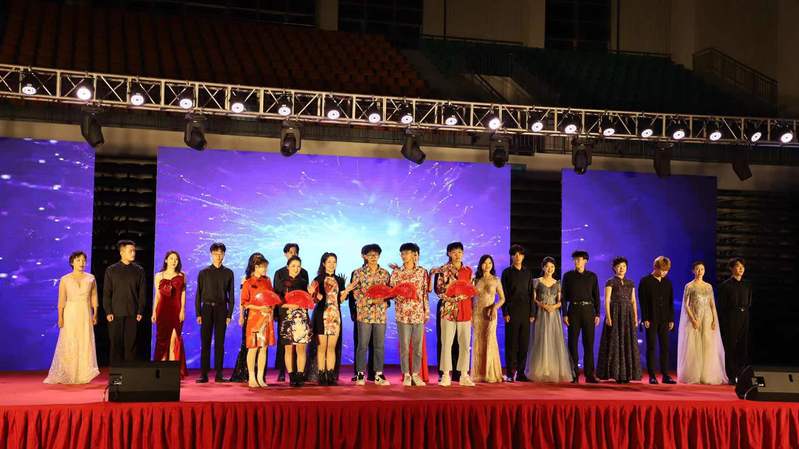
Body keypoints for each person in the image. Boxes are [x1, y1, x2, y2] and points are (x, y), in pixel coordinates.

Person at [44, 251, 100, 384]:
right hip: (70, 313)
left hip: (85, 312)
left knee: (85, 340)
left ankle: (83, 373)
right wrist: (60, 317)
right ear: (72, 262)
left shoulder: (91, 278)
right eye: (78, 260)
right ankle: (69, 373)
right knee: (70, 340)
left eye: (83, 260)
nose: (81, 263)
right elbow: (61, 300)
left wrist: (95, 313)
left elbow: (94, 296)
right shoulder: (65, 279)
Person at [341, 243, 392, 386]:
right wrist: (371, 300)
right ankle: (360, 374)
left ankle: (378, 374)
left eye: (376, 254)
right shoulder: (358, 273)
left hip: (380, 314)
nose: (373, 257)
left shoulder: (385, 273)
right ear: (364, 256)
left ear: (379, 256)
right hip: (364, 313)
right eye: (370, 255)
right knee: (362, 344)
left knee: (379, 345)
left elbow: (390, 291)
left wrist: (384, 299)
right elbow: (356, 293)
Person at [677, 261, 728, 385]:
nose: (700, 271)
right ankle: (694, 374)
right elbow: (686, 305)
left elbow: (712, 305)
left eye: (702, 269)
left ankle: (707, 375)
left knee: (707, 346)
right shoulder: (689, 286)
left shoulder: (708, 287)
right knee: (694, 346)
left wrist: (714, 320)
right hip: (695, 318)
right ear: (693, 271)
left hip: (707, 318)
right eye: (697, 269)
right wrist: (693, 320)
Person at [433, 241, 475, 387]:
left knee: (465, 344)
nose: (457, 255)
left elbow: (471, 290)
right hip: (448, 310)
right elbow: (438, 290)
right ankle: (445, 375)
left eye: (460, 252)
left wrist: (467, 297)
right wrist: (451, 296)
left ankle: (464, 375)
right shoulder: (442, 270)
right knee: (447, 343)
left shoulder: (468, 270)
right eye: (454, 252)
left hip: (465, 310)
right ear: (449, 253)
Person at [525, 257, 572, 383]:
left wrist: (554, 307)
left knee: (553, 340)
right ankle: (541, 369)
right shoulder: (536, 281)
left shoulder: (558, 283)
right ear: (543, 267)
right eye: (547, 266)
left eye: (552, 267)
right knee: (541, 339)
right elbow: (533, 299)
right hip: (541, 313)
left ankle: (553, 369)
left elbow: (560, 301)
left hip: (554, 315)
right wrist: (543, 306)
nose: (550, 269)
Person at [596, 257, 642, 383]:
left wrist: (635, 317)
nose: (622, 269)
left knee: (627, 342)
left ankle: (627, 374)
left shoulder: (630, 283)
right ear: (614, 268)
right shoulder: (610, 282)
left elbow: (633, 301)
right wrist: (608, 316)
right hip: (615, 313)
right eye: (619, 266)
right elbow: (607, 300)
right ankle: (616, 374)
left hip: (627, 314)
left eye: (624, 266)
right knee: (615, 342)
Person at [390, 243, 430, 387]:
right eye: (402, 253)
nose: (404, 256)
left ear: (414, 254)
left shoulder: (422, 272)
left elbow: (424, 293)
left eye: (406, 253)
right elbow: (392, 292)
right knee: (405, 347)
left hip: (418, 313)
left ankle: (416, 374)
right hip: (402, 314)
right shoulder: (396, 273)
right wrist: (400, 296)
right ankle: (406, 374)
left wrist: (426, 311)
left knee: (418, 347)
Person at [195, 242, 235, 383]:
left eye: (220, 253)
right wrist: (198, 313)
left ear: (224, 255)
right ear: (211, 254)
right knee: (205, 342)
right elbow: (198, 294)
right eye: (215, 253)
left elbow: (231, 295)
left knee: (220, 342)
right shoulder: (203, 272)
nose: (218, 256)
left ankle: (219, 374)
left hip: (221, 309)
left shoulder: (228, 273)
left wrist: (229, 314)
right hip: (206, 309)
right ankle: (203, 374)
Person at [103, 240, 146, 365]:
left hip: (133, 313)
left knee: (131, 345)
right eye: (130, 251)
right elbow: (107, 293)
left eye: (134, 251)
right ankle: (116, 374)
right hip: (115, 313)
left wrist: (140, 310)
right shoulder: (111, 270)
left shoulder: (139, 270)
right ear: (122, 252)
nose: (133, 253)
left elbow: (142, 293)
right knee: (115, 345)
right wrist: (108, 311)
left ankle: (129, 374)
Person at [561, 250, 600, 383]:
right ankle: (574, 374)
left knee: (588, 343)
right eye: (575, 259)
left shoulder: (592, 276)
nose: (577, 261)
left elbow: (596, 296)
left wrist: (597, 313)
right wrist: (564, 314)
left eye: (579, 259)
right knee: (572, 343)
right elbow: (563, 297)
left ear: (585, 261)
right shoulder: (568, 276)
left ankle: (589, 375)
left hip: (589, 310)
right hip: (573, 310)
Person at [273, 243, 309, 382]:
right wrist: (288, 306)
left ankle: (300, 375)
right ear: (288, 267)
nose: (296, 268)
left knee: (301, 348)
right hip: (286, 315)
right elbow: (277, 298)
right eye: (293, 266)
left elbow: (308, 299)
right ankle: (290, 375)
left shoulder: (304, 279)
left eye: (298, 266)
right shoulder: (281, 277)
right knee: (287, 348)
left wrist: (313, 294)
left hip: (301, 317)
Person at [308, 252, 345, 386]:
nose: (332, 264)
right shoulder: (318, 279)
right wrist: (313, 294)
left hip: (335, 316)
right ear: (323, 263)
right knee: (322, 347)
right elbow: (313, 301)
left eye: (334, 262)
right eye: (329, 262)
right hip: (321, 315)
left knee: (332, 347)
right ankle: (321, 374)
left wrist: (346, 291)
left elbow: (340, 300)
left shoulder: (339, 280)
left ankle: (330, 375)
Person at [638, 256, 677, 385]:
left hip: (665, 319)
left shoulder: (668, 283)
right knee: (651, 346)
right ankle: (652, 375)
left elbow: (670, 302)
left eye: (666, 271)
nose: (664, 273)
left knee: (665, 347)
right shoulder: (645, 281)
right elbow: (643, 302)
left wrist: (671, 319)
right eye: (662, 270)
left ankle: (665, 375)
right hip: (651, 318)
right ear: (655, 267)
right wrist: (645, 318)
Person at [240, 254, 276, 388]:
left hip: (266, 318)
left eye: (266, 267)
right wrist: (260, 308)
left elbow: (272, 297)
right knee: (253, 348)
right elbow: (245, 303)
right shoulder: (248, 282)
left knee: (264, 348)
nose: (265, 269)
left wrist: (271, 309)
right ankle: (251, 377)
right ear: (256, 267)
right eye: (263, 267)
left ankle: (260, 377)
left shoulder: (267, 281)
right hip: (254, 319)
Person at [500, 244, 535, 382]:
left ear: (523, 256)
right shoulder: (506, 273)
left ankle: (521, 373)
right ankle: (510, 373)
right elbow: (504, 294)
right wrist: (505, 312)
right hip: (512, 311)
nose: (517, 256)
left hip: (526, 312)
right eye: (515, 254)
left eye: (520, 254)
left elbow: (531, 293)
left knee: (524, 344)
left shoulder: (528, 272)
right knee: (511, 344)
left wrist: (532, 313)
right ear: (511, 256)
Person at [230, 252, 266, 382]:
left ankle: (260, 375)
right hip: (250, 314)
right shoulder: (246, 279)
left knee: (262, 346)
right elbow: (243, 300)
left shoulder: (266, 279)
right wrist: (241, 315)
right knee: (249, 344)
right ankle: (245, 373)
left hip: (264, 315)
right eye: (256, 261)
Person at [151, 251, 188, 378]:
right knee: (162, 340)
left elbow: (183, 294)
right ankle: (161, 371)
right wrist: (154, 312)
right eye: (171, 258)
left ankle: (173, 372)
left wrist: (182, 310)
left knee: (174, 340)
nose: (174, 261)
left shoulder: (182, 275)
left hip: (176, 310)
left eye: (176, 259)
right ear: (166, 260)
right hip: (162, 310)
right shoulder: (158, 276)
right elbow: (157, 296)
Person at [717, 257, 752, 384]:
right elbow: (722, 306)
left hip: (744, 316)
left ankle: (741, 374)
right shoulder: (725, 285)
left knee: (743, 346)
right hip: (731, 317)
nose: (741, 268)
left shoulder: (747, 284)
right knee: (730, 346)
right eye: (738, 266)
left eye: (742, 266)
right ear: (731, 268)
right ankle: (731, 375)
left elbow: (749, 301)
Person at [471, 254, 505, 383]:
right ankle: (479, 374)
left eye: (490, 263)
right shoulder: (475, 280)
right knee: (478, 342)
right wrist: (470, 314)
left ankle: (491, 374)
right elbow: (470, 298)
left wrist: (495, 307)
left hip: (490, 314)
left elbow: (502, 298)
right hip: (477, 314)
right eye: (485, 263)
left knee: (490, 340)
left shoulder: (496, 280)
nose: (487, 265)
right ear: (481, 264)